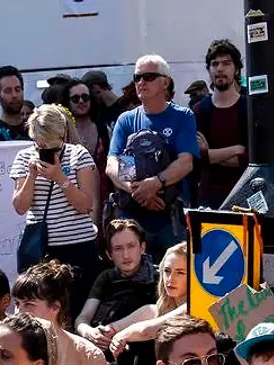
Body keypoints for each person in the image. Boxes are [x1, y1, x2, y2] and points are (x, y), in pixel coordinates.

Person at [106, 55, 199, 260]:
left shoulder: (182, 117)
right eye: (137, 77)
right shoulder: (127, 120)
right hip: (133, 219)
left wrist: (155, 183)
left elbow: (186, 162)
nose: (141, 82)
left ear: (165, 82)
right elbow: (113, 163)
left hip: (171, 219)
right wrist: (137, 190)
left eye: (148, 77)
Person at [94, 239, 185, 365]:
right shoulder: (154, 309)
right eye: (167, 271)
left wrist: (123, 336)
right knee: (127, 350)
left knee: (146, 349)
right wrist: (105, 335)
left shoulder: (193, 306)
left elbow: (146, 331)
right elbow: (113, 329)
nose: (170, 279)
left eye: (180, 273)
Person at [10, 104, 100, 285]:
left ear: (61, 136)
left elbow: (85, 205)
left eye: (52, 147)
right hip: (42, 248)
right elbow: (20, 207)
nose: (46, 152)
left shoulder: (78, 154)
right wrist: (31, 176)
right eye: (40, 145)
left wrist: (60, 178)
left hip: (79, 246)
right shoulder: (23, 157)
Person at [193, 39, 249, 209]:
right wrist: (236, 149)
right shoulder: (200, 110)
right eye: (214, 64)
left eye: (226, 63)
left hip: (243, 198)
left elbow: (250, 160)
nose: (220, 69)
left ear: (236, 69)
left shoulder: (248, 109)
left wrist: (210, 154)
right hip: (209, 201)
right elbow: (196, 158)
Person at [65, 79, 106, 169]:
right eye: (75, 98)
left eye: (85, 97)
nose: (81, 101)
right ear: (67, 102)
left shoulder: (104, 130)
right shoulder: (62, 131)